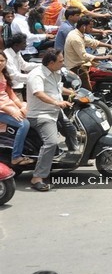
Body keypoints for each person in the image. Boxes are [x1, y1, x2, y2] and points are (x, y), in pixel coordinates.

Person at [26, 49, 74, 191]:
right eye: (61, 61)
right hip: (42, 114)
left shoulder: (55, 72)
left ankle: (72, 156)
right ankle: (37, 177)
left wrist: (71, 92)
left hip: (55, 111)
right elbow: (38, 93)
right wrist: (56, 103)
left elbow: (58, 89)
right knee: (51, 143)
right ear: (51, 63)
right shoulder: (37, 75)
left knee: (70, 129)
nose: (63, 63)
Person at [0, 49, 31, 166]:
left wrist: (21, 106)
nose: (0, 63)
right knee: (24, 124)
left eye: (2, 60)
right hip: (2, 109)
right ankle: (16, 156)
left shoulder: (4, 74)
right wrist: (11, 111)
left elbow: (11, 94)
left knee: (32, 113)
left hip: (8, 105)